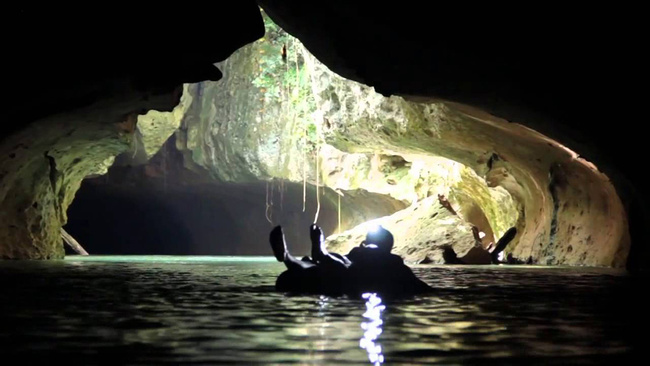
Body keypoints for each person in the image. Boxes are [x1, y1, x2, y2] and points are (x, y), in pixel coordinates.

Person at [270, 224, 432, 297]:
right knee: (339, 263)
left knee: (334, 264)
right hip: (344, 273)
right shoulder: (385, 259)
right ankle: (313, 255)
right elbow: (419, 286)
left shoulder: (378, 255)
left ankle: (289, 258)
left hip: (349, 274)